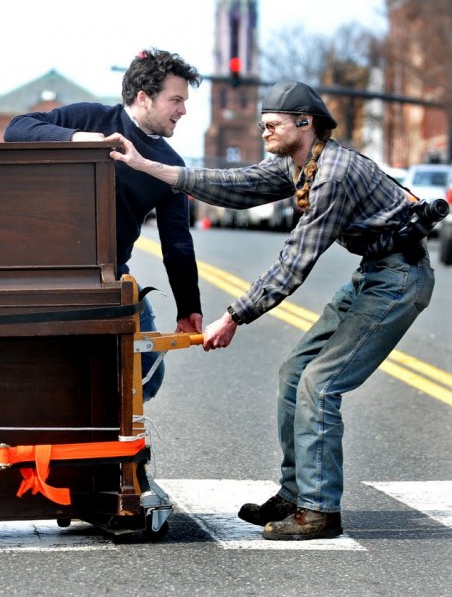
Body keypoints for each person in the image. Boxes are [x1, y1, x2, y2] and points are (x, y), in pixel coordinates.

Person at [109, 79, 435, 540]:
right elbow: (234, 185)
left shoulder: (334, 174)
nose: (264, 133)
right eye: (263, 125)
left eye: (272, 125)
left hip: (398, 280)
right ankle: (296, 493)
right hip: (374, 275)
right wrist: (151, 167)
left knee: (320, 386)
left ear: (306, 123)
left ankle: (320, 510)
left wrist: (234, 315)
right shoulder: (297, 163)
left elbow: (294, 262)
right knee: (294, 374)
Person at [4, 48, 204, 401]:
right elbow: (16, 128)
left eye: (184, 101)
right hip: (47, 268)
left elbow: (178, 245)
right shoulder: (90, 118)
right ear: (144, 98)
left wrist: (189, 308)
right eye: (176, 100)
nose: (183, 110)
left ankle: (108, 432)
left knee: (147, 378)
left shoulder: (169, 165)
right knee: (52, 371)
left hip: (113, 275)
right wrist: (79, 140)